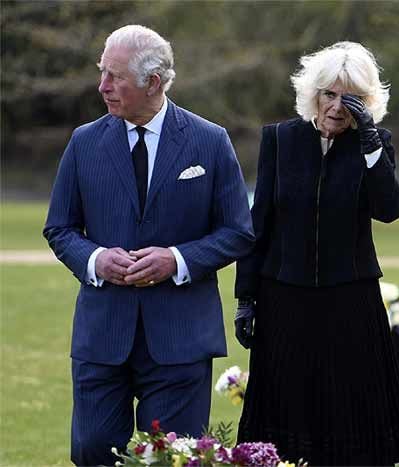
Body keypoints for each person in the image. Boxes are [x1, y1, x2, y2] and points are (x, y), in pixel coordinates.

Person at [43, 25, 254, 466]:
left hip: (181, 339)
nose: (103, 86)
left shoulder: (210, 141)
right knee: (92, 451)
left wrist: (176, 259)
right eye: (103, 73)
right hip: (102, 337)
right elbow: (59, 229)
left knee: (174, 458)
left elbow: (237, 231)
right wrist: (97, 259)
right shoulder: (84, 143)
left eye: (115, 76)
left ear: (153, 82)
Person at [234, 41, 399, 466]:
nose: (336, 106)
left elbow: (389, 210)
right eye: (328, 94)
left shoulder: (374, 145)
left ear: (365, 103)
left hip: (350, 299)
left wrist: (370, 143)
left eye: (348, 98)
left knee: (351, 413)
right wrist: (246, 298)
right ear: (312, 95)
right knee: (287, 411)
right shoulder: (279, 139)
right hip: (284, 296)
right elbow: (259, 224)